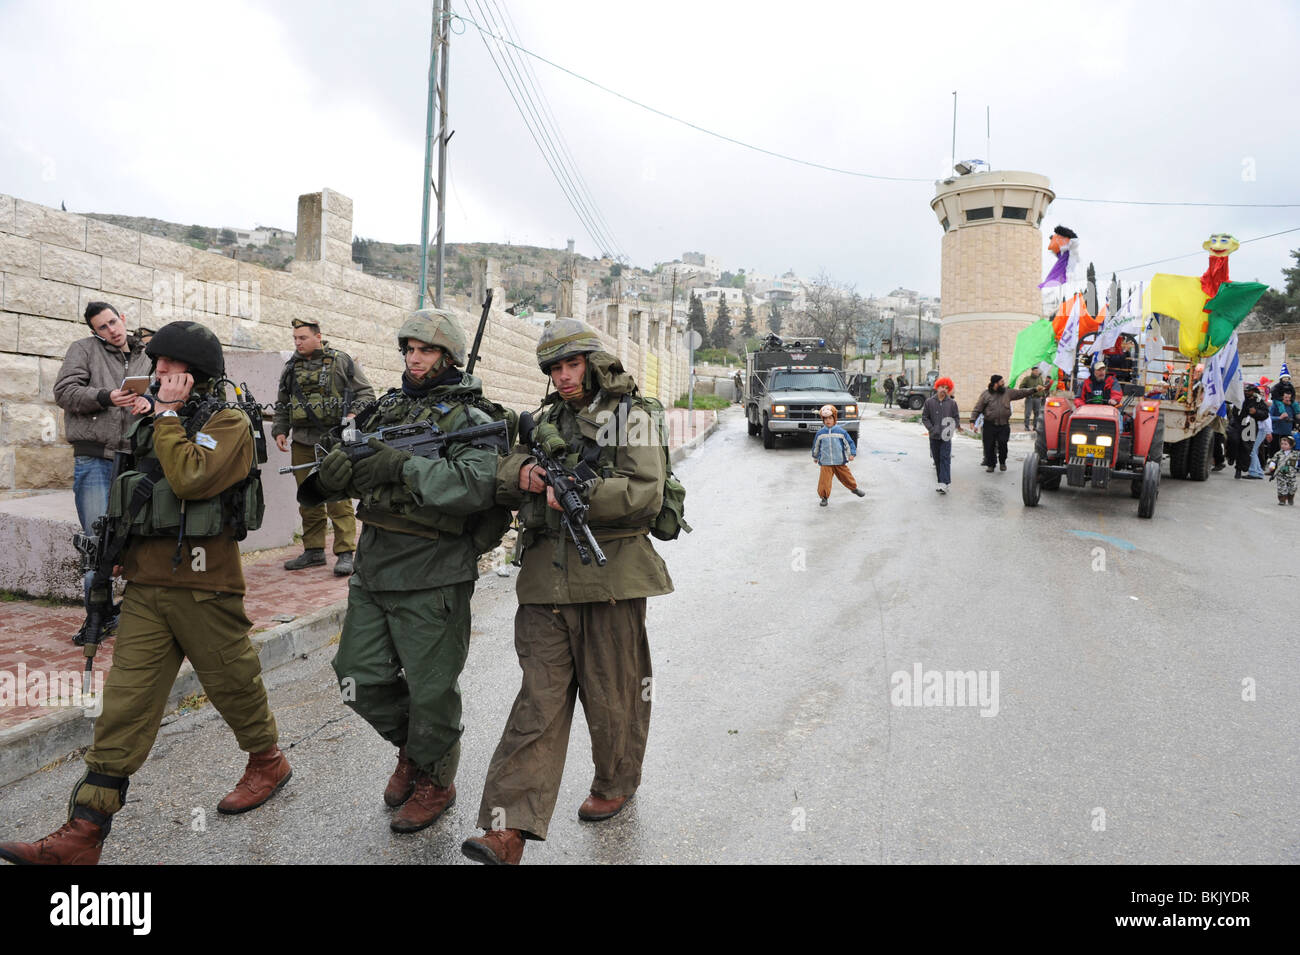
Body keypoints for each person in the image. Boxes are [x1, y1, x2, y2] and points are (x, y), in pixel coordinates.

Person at [0, 321, 289, 866]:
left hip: (206, 586)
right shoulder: (150, 421)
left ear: (193, 373)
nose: (155, 375)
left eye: (165, 368)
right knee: (125, 707)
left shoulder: (227, 423)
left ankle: (267, 760)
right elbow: (131, 495)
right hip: (147, 586)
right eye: (154, 367)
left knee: (234, 686)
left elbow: (190, 480)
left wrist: (168, 419)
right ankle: (84, 833)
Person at [461, 319, 673, 865]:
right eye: (554, 369)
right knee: (539, 702)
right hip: (544, 580)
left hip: (611, 578)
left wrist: (580, 493)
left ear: (593, 363)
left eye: (571, 365)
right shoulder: (543, 422)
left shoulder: (634, 416)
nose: (563, 377)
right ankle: (505, 831)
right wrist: (528, 475)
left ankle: (615, 780)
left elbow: (644, 493)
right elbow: (501, 471)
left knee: (614, 694)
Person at [310, 310, 501, 835]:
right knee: (355, 676)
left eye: (427, 351)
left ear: (450, 357)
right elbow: (340, 467)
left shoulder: (474, 418)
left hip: (434, 571)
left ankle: (436, 779)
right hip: (374, 565)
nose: (415, 360)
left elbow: (475, 487)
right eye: (409, 350)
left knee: (431, 688)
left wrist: (401, 466)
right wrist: (337, 469)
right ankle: (415, 751)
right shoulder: (385, 409)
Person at [53, 303, 153, 628]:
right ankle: (96, 618)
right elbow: (64, 392)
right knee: (97, 542)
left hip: (135, 458)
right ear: (95, 332)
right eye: (103, 327)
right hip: (94, 457)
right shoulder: (82, 350)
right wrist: (105, 396)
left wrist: (148, 402)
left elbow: (163, 394)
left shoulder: (148, 355)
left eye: (113, 322)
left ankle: (130, 613)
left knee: (139, 537)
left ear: (123, 318)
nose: (112, 330)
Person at [272, 318, 375, 576]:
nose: (298, 343)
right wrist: (280, 430)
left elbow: (367, 395)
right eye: (295, 338)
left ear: (318, 337)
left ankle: (345, 553)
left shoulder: (342, 362)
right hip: (303, 441)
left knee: (338, 497)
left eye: (303, 338)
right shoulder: (291, 368)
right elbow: (283, 402)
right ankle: (314, 551)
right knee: (308, 498)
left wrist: (353, 414)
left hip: (333, 440)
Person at [971, 374, 1040, 472]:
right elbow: (977, 408)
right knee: (989, 446)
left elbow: (1021, 393)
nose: (1003, 383)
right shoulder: (986, 394)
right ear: (995, 383)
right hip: (989, 425)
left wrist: (1034, 389)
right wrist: (972, 421)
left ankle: (1002, 462)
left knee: (1003, 445)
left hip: (1003, 425)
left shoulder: (1007, 392)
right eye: (1001, 382)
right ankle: (991, 465)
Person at [811, 404, 864, 505]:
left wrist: (851, 454)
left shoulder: (841, 431)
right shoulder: (820, 433)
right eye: (825, 418)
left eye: (830, 418)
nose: (828, 421)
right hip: (825, 462)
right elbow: (816, 446)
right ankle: (824, 497)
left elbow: (849, 443)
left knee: (847, 477)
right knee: (824, 481)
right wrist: (815, 456)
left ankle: (854, 488)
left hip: (839, 461)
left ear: (834, 418)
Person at [921, 377, 962, 494]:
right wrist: (931, 429)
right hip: (934, 436)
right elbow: (925, 417)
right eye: (941, 387)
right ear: (937, 387)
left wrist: (951, 428)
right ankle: (942, 482)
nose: (943, 390)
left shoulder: (952, 403)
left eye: (946, 388)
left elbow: (956, 418)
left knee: (945, 458)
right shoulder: (929, 402)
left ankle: (944, 483)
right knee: (937, 459)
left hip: (946, 436)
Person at [1233, 384, 1269, 479]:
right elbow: (1234, 411)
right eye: (1245, 391)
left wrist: (1256, 412)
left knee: (1245, 448)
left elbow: (1265, 414)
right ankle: (1231, 458)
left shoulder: (1258, 401)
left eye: (1248, 391)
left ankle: (1240, 469)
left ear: (1253, 392)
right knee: (1234, 441)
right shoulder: (1241, 399)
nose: (1246, 392)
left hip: (1250, 428)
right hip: (1238, 425)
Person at [1265, 434, 1298, 504]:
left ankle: (1290, 497)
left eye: (1285, 444)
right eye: (1282, 444)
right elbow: (1273, 460)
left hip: (1292, 474)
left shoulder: (1295, 454)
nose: (1283, 445)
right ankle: (1282, 500)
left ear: (1291, 445)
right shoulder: (1278, 453)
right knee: (1281, 487)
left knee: (1293, 487)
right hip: (1281, 473)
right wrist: (1272, 466)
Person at [1269, 384, 1299, 449]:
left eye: (1289, 398)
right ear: (1282, 397)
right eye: (1286, 398)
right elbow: (1268, 418)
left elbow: (1296, 418)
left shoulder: (1292, 406)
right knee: (1274, 453)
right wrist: (1279, 418)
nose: (1288, 399)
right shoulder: (1275, 405)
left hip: (1288, 434)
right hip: (1276, 434)